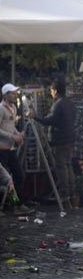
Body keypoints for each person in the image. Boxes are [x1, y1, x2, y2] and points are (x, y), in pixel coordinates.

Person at [29, 79, 77, 209]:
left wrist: (35, 117)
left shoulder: (58, 104)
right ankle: (73, 196)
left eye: (51, 90)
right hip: (69, 140)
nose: (50, 92)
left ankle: (65, 197)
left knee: (62, 169)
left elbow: (50, 120)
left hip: (60, 142)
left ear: (55, 91)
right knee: (68, 166)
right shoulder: (70, 104)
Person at [0, 83, 31, 215]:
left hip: (11, 149)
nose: (15, 95)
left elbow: (11, 126)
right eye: (12, 93)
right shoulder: (1, 109)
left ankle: (16, 204)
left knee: (18, 176)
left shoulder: (12, 108)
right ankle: (7, 205)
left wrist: (18, 134)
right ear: (6, 95)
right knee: (5, 180)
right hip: (2, 149)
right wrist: (12, 136)